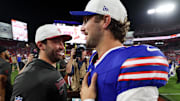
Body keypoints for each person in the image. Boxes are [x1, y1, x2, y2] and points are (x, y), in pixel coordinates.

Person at [70, 0, 169, 100]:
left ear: (105, 21)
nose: (82, 28)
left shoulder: (131, 62)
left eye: (86, 20)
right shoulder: (96, 59)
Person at [10, 24, 72, 101]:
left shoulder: (49, 68)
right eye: (56, 42)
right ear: (40, 45)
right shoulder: (28, 78)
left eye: (62, 42)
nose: (62, 47)